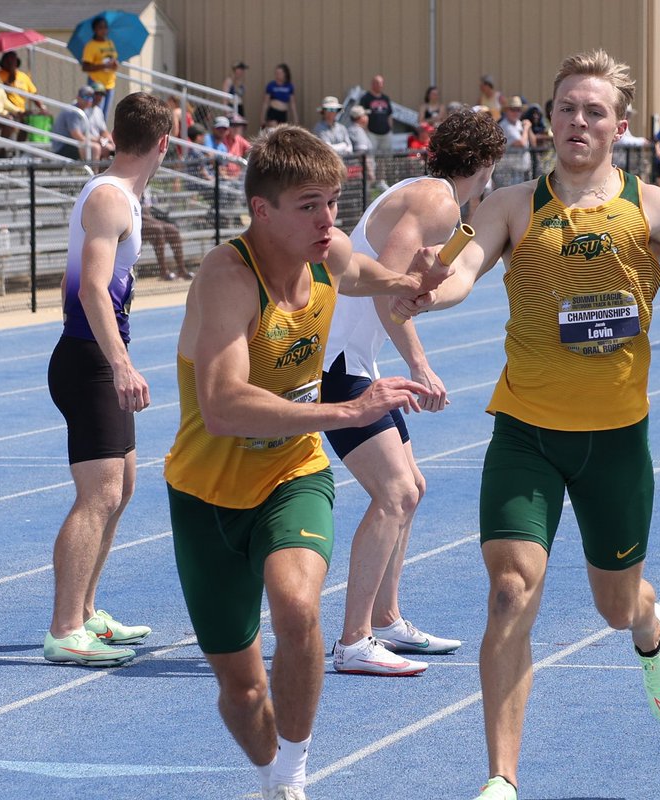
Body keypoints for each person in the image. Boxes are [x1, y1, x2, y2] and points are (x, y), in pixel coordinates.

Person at [393, 50, 660, 800]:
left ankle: (649, 628)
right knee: (508, 592)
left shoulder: (652, 206)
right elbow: (462, 271)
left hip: (615, 443)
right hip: (525, 433)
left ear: (620, 127)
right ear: (548, 121)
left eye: (594, 111)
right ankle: (502, 780)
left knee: (614, 604)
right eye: (566, 108)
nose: (578, 122)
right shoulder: (508, 207)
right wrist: (432, 288)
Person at [163, 125, 450, 799]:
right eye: (308, 205)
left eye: (333, 202)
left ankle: (291, 782)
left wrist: (411, 284)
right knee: (241, 690)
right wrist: (348, 413)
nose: (328, 219)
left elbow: (367, 276)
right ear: (261, 211)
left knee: (297, 609)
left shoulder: (330, 253)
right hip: (205, 495)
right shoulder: (228, 279)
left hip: (292, 476)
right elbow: (225, 407)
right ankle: (272, 766)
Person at [321, 109, 506, 678]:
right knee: (396, 493)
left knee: (412, 487)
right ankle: (353, 639)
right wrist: (421, 366)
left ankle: (386, 618)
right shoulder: (438, 202)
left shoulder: (422, 192)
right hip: (339, 365)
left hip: (358, 360)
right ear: (487, 164)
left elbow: (391, 282)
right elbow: (387, 284)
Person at [43, 92, 173, 667]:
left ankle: (87, 608)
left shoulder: (122, 198)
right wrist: (120, 362)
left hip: (97, 355)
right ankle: (64, 626)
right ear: (164, 144)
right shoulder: (109, 199)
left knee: (121, 489)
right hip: (88, 359)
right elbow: (91, 288)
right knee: (98, 494)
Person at [0, 51, 47, 141]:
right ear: (3, 63)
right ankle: (2, 150)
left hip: (21, 110)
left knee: (29, 118)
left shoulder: (23, 76)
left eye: (13, 60)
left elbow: (33, 94)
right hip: (6, 110)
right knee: (10, 120)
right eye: (8, 61)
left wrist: (42, 107)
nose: (10, 63)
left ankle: (20, 149)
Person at [80, 15, 119, 116]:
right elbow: (85, 67)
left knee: (104, 115)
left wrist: (114, 65)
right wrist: (104, 66)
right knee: (96, 112)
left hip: (110, 83)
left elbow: (113, 59)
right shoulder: (91, 45)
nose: (103, 30)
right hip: (97, 83)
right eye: (100, 27)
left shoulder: (110, 43)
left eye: (105, 27)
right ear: (95, 30)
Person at [51, 87, 100, 162]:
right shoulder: (73, 111)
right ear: (78, 98)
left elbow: (84, 134)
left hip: (73, 143)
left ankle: (100, 171)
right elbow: (76, 135)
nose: (88, 100)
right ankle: (93, 172)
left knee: (105, 147)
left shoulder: (85, 111)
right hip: (62, 146)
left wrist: (97, 139)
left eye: (91, 98)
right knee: (96, 148)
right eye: (86, 97)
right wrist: (93, 142)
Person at [494, 96, 533, 187]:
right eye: (513, 109)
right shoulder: (505, 126)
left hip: (522, 171)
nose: (516, 112)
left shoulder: (519, 123)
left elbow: (533, 142)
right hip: (508, 173)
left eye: (518, 110)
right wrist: (526, 128)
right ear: (506, 111)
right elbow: (521, 143)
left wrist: (529, 128)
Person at [359, 74, 393, 158]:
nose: (380, 85)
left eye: (381, 83)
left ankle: (384, 172)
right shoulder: (365, 98)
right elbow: (362, 115)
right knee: (370, 157)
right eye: (378, 83)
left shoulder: (386, 98)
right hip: (372, 133)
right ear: (372, 84)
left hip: (386, 133)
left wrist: (390, 128)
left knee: (386, 158)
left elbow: (389, 115)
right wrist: (365, 130)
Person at [261, 63, 297, 128]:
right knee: (274, 131)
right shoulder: (271, 85)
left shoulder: (289, 86)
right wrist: (262, 118)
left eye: (279, 73)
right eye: (276, 73)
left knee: (281, 133)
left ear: (285, 74)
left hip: (283, 113)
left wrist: (295, 118)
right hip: (273, 112)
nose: (277, 75)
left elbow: (293, 104)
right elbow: (265, 102)